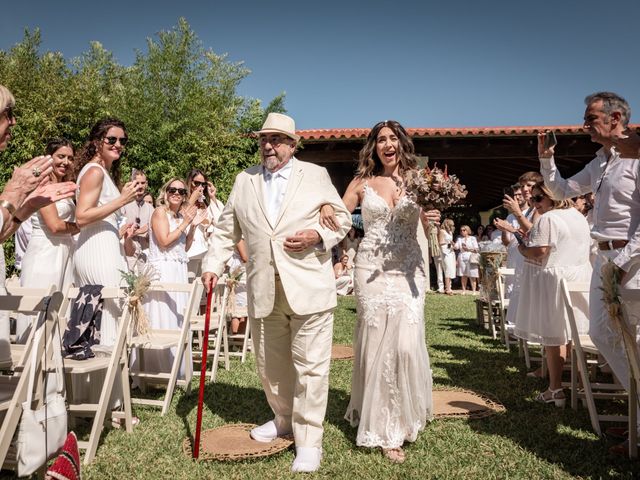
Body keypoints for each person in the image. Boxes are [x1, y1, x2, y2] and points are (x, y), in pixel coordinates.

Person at [201, 112, 351, 473]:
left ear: (292, 145)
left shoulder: (315, 175)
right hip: (263, 287)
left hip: (309, 286)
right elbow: (225, 231)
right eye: (264, 139)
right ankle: (283, 420)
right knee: (271, 367)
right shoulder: (244, 180)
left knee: (311, 367)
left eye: (277, 139)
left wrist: (318, 236)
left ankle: (309, 440)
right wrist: (211, 265)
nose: (269, 145)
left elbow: (343, 219)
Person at [320, 120, 440, 464]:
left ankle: (406, 414)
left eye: (392, 139)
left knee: (404, 346)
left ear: (402, 144)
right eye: (381, 140)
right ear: (374, 147)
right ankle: (387, 429)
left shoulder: (420, 181)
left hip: (408, 269)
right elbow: (341, 215)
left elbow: (425, 224)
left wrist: (430, 217)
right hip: (370, 268)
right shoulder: (362, 182)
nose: (387, 145)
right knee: (376, 343)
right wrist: (328, 207)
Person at [538, 92, 640, 453]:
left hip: (632, 263)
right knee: (601, 332)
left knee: (636, 340)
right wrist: (546, 158)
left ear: (615, 119)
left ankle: (637, 429)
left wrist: (624, 262)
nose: (585, 125)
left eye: (591, 117)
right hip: (605, 260)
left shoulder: (637, 159)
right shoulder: (600, 162)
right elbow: (560, 189)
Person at [514, 182, 592, 406]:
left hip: (556, 279)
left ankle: (555, 389)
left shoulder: (549, 218)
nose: (535, 203)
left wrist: (522, 248)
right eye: (533, 199)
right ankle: (578, 383)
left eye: (539, 199)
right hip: (580, 275)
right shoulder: (577, 216)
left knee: (554, 335)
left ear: (554, 197)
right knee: (573, 333)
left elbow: (539, 252)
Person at [74, 118, 142, 348]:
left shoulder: (103, 172)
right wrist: (122, 200)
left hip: (106, 244)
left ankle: (109, 381)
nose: (118, 144)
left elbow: (99, 214)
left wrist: (120, 227)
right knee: (108, 313)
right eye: (111, 139)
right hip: (97, 250)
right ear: (96, 142)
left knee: (109, 313)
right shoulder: (95, 172)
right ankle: (104, 378)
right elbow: (82, 217)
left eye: (122, 140)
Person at [138, 178, 202, 381]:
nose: (176, 193)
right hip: (163, 272)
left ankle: (177, 369)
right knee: (162, 315)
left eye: (181, 191)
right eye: (172, 190)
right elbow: (164, 241)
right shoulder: (159, 213)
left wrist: (191, 227)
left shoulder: (178, 216)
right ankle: (158, 368)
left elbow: (184, 248)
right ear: (165, 193)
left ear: (184, 196)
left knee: (177, 316)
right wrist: (185, 223)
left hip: (178, 270)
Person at [16, 138, 80, 342]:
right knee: (41, 315)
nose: (66, 162)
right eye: (60, 156)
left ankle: (54, 370)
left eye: (70, 158)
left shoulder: (64, 186)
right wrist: (84, 225)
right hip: (44, 254)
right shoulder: (42, 186)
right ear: (49, 158)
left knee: (60, 315)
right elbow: (55, 225)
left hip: (64, 253)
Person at [185, 169, 225, 277]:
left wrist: (212, 197)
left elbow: (221, 221)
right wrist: (192, 198)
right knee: (189, 287)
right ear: (189, 182)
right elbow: (180, 217)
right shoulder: (183, 200)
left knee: (201, 290)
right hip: (190, 253)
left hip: (206, 252)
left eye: (203, 184)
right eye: (196, 183)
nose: (200, 187)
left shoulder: (205, 204)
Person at [121, 170, 154, 272]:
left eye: (143, 183)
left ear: (146, 184)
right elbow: (121, 229)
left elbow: (153, 232)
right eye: (137, 183)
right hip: (127, 255)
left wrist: (148, 230)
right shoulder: (123, 205)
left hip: (145, 256)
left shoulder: (150, 208)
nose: (140, 186)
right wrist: (139, 231)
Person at [454, 225, 479, 294]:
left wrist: (468, 249)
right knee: (463, 274)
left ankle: (474, 290)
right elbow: (456, 247)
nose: (462, 231)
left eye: (464, 230)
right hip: (462, 256)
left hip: (470, 256)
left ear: (468, 231)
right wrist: (452, 243)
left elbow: (476, 249)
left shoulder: (472, 238)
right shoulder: (459, 239)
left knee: (472, 274)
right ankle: (464, 290)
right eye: (461, 230)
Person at [438, 218, 457, 295]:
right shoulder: (442, 231)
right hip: (445, 252)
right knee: (447, 269)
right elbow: (441, 243)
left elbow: (451, 241)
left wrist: (454, 244)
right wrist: (449, 245)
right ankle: (447, 288)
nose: (452, 226)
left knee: (451, 268)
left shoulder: (450, 232)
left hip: (451, 252)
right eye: (451, 225)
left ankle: (450, 287)